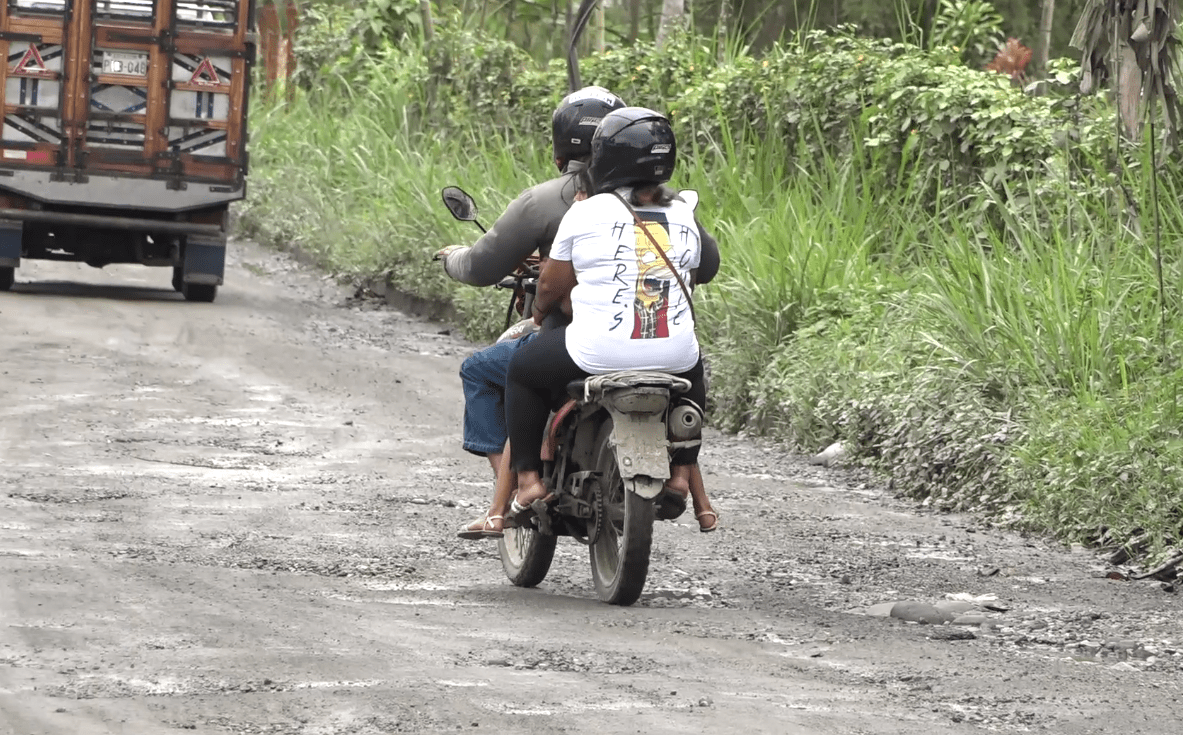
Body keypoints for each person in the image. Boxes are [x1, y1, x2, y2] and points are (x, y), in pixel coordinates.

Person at [504, 107, 719, 533]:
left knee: (522, 372)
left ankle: (528, 483)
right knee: (695, 373)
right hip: (673, 357)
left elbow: (549, 286)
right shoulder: (684, 211)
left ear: (605, 159)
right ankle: (680, 475)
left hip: (595, 355)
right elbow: (697, 273)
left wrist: (540, 315)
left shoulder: (585, 211)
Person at [436, 86, 628, 536]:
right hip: (653, 334)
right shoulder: (662, 203)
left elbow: (487, 267)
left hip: (578, 338)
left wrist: (452, 259)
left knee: (490, 369)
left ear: (560, 149)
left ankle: (516, 488)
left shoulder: (550, 202)